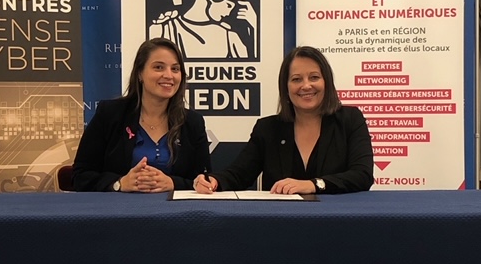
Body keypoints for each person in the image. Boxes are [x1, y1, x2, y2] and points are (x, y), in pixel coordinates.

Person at [194, 46, 374, 195]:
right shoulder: (268, 128)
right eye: (296, 79)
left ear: (326, 82)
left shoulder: (350, 119)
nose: (306, 85)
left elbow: (362, 175)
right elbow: (239, 174)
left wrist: (313, 185)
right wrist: (214, 181)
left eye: (314, 77)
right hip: (281, 220)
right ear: (285, 87)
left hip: (336, 219)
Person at [73, 37, 211, 192]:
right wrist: (120, 183)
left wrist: (173, 183)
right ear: (140, 73)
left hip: (174, 207)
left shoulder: (193, 122)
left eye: (175, 69)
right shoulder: (110, 114)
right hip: (118, 206)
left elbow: (204, 180)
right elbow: (80, 176)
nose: (169, 75)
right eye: (158, 67)